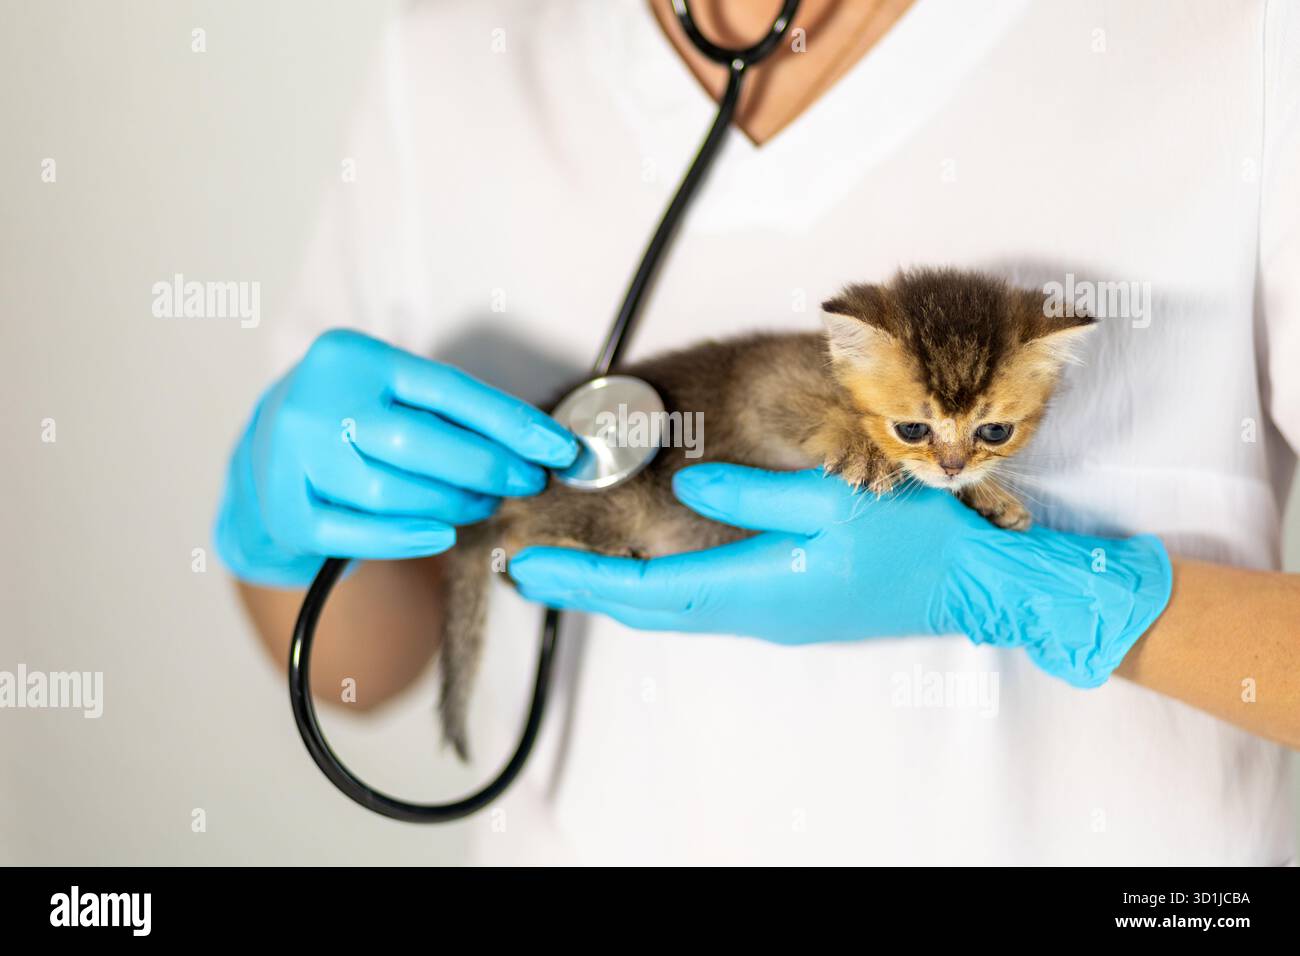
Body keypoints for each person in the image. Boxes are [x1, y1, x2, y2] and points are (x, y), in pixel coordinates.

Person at [214, 0, 1300, 864]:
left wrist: (1066, 595)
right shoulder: (446, 71)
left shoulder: (1238, 38)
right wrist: (284, 531)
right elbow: (361, 669)